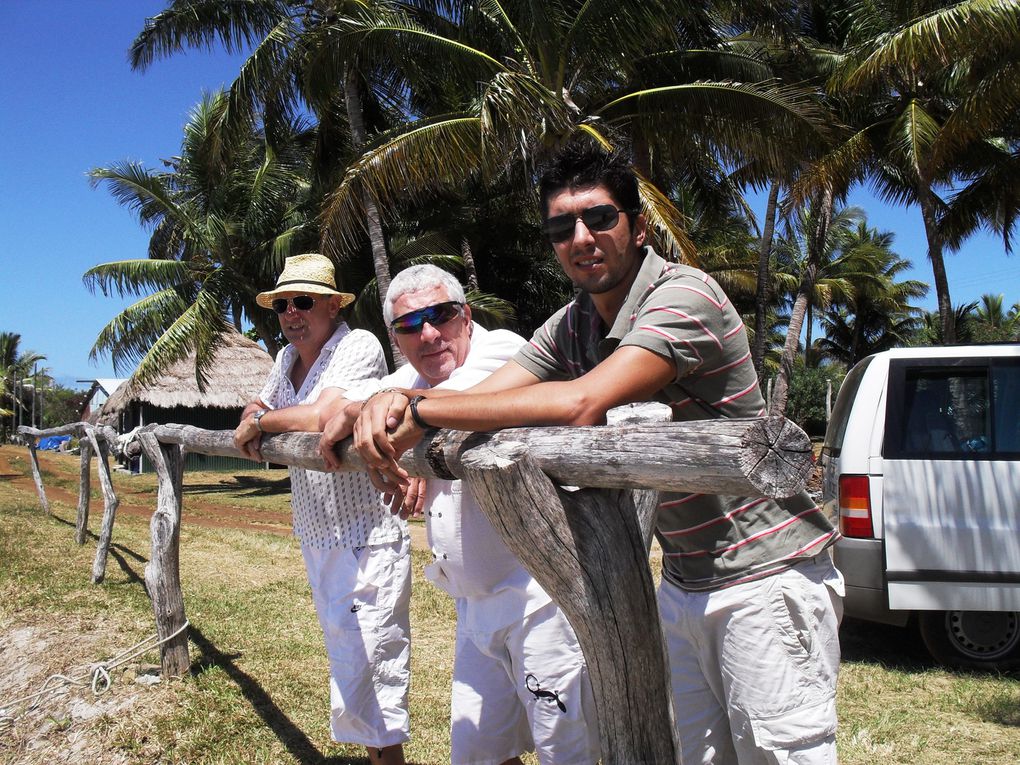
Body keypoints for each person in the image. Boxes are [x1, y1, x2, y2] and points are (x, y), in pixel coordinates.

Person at [351, 143, 845, 765]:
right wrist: (391, 418)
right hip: (685, 580)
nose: (581, 238)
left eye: (600, 218)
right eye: (562, 228)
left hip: (767, 577)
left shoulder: (685, 296)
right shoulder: (573, 323)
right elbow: (482, 398)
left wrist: (415, 408)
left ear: (638, 226)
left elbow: (584, 400)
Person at [318, 264, 601, 765]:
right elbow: (349, 409)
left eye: (441, 315)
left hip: (542, 600)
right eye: (410, 325)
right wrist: (361, 407)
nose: (429, 334)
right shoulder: (413, 376)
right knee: (478, 753)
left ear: (466, 317)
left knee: (567, 753)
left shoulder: (504, 351)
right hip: (473, 606)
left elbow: (455, 401)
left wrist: (390, 410)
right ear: (396, 338)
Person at [233, 253, 410, 765]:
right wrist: (256, 414)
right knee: (348, 660)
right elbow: (258, 405)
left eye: (304, 301)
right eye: (284, 303)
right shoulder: (285, 360)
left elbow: (321, 414)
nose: (292, 313)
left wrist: (263, 424)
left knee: (377, 660)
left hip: (366, 533)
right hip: (317, 532)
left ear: (333, 304)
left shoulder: (357, 344)